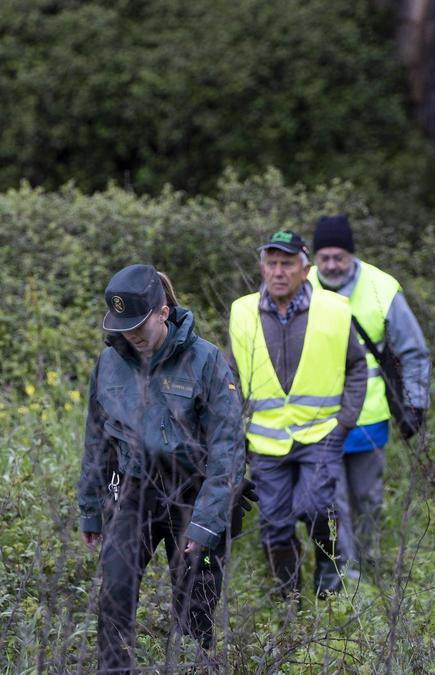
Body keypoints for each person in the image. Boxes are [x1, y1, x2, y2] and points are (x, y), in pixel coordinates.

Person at [77, 264, 244, 673]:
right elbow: (97, 439)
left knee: (195, 611)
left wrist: (206, 524)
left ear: (163, 312)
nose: (131, 335)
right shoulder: (109, 362)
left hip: (194, 495)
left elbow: (229, 450)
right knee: (114, 594)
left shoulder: (207, 362)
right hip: (134, 491)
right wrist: (90, 508)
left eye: (139, 325)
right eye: (122, 326)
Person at [228, 230, 367, 599]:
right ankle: (288, 599)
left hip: (320, 434)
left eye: (287, 264)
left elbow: (357, 366)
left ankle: (329, 574)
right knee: (274, 523)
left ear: (305, 270)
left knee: (317, 507)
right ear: (261, 268)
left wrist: (345, 422)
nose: (278, 272)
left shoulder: (335, 310)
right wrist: (232, 431)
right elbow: (232, 375)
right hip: (265, 439)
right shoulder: (242, 311)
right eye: (271, 264)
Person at [307, 214, 431, 571]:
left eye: (338, 257)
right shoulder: (303, 285)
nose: (331, 265)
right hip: (321, 417)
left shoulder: (383, 287)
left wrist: (416, 403)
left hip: (370, 416)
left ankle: (369, 557)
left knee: (367, 497)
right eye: (324, 258)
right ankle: (347, 570)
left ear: (352, 255)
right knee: (333, 499)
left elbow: (414, 350)